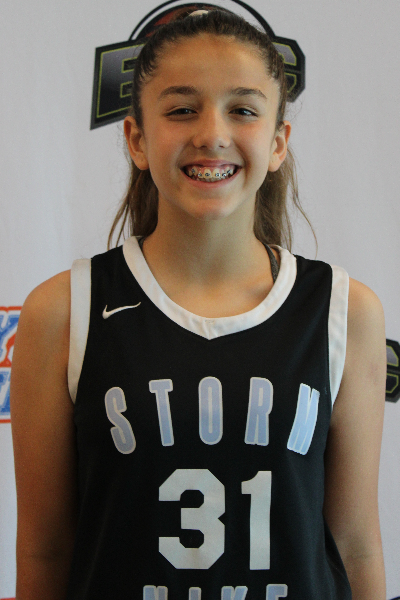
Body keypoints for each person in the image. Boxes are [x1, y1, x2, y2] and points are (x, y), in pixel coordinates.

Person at [10, 8, 387, 600]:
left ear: (278, 142)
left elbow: (356, 544)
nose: (212, 133)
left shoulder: (344, 310)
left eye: (243, 110)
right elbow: (46, 550)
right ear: (137, 140)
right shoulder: (64, 310)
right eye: (182, 109)